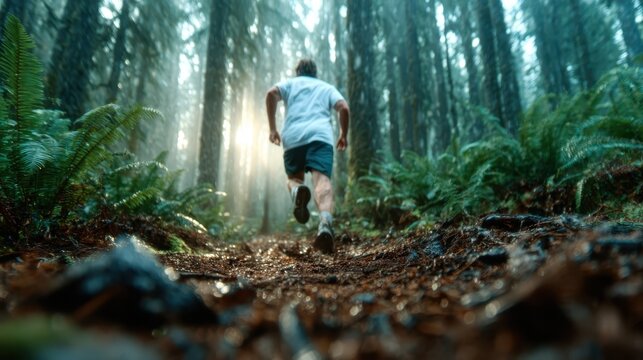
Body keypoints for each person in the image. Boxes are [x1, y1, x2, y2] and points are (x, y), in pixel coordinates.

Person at [265, 59, 350, 253]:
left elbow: (271, 94)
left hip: (293, 138)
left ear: (298, 72)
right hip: (320, 137)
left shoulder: (290, 84)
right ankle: (325, 223)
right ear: (315, 72)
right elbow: (343, 107)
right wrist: (343, 134)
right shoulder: (326, 87)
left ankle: (297, 191)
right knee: (322, 180)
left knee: (294, 179)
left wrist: (272, 129)